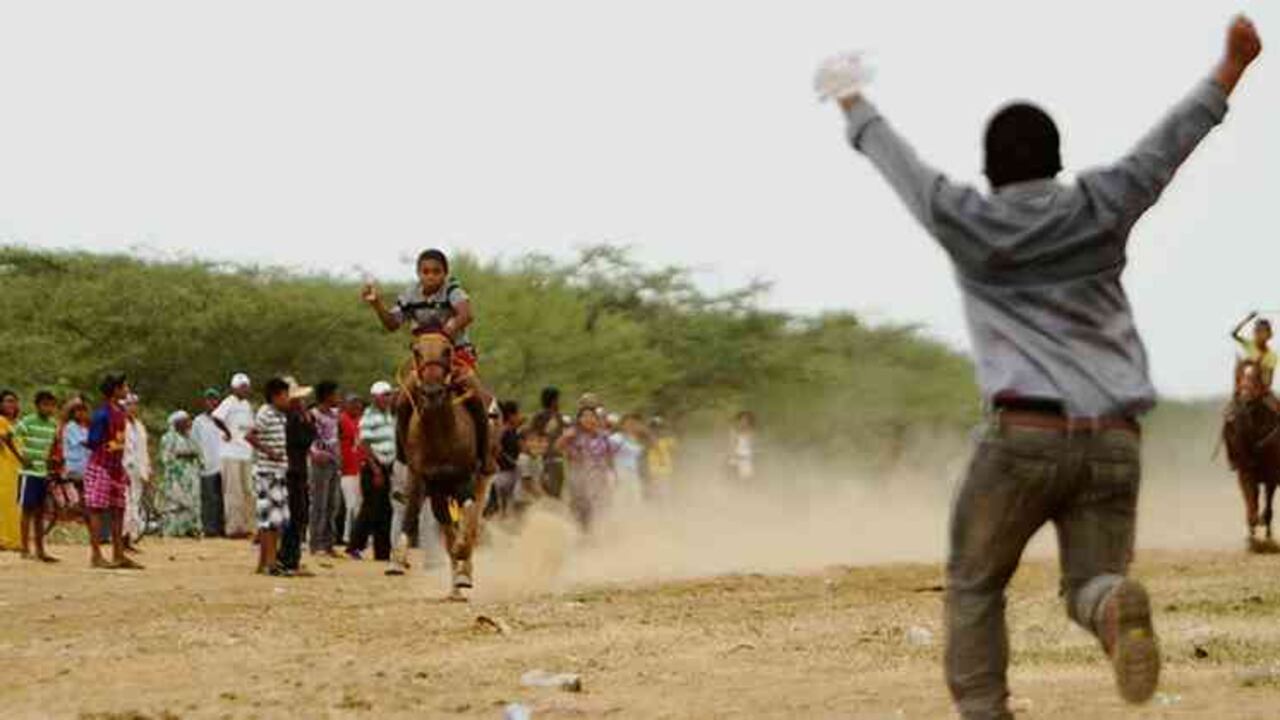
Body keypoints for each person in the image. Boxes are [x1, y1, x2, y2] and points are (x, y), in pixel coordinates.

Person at [823, 15, 1262, 717]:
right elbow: (1166, 148)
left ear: (990, 169)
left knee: (974, 583)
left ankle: (986, 712)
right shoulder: (1101, 203)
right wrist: (1230, 69)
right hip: (1115, 438)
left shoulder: (962, 217)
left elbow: (897, 162)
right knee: (1090, 581)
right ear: (1058, 161)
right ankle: (1112, 607)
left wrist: (851, 99)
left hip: (1022, 437)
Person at [361, 248, 492, 473]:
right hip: (424, 362)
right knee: (402, 401)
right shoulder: (410, 295)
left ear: (445, 273)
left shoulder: (452, 290)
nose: (430, 276)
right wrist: (377, 304)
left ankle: (483, 455)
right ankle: (404, 456)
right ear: (418, 273)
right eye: (425, 272)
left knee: (478, 397)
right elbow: (392, 323)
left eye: (436, 272)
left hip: (455, 356)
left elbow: (466, 314)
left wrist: (445, 333)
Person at [84, 374, 142, 570]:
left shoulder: (119, 412)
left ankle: (118, 554)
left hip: (116, 467)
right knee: (97, 510)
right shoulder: (103, 414)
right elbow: (93, 442)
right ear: (116, 390)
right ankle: (96, 555)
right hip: (101, 466)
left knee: (118, 509)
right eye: (124, 386)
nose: (127, 389)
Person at [246, 378, 291, 574]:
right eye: (285, 395)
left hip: (277, 471)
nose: (288, 399)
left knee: (274, 519)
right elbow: (250, 435)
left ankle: (264, 562)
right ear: (275, 396)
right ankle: (270, 563)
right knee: (270, 520)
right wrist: (270, 452)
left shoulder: (279, 415)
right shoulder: (265, 413)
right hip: (267, 471)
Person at [350, 381, 396, 561]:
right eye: (384, 395)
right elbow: (364, 444)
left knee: (385, 510)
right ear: (375, 397)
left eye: (389, 395)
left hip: (387, 466)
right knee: (370, 508)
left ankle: (382, 551)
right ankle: (355, 545)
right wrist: (375, 469)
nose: (387, 398)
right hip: (373, 466)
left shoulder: (388, 416)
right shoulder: (369, 416)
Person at [15, 390, 60, 562]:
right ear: (37, 405)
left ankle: (40, 550)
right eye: (45, 404)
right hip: (28, 472)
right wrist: (21, 457)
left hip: (43, 472)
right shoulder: (27, 421)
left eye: (51, 405)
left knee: (40, 513)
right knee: (27, 510)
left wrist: (53, 461)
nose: (48, 408)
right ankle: (25, 548)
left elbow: (54, 445)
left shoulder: (52, 424)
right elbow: (10, 437)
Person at [277, 377, 315, 575]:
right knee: (293, 515)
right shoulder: (288, 419)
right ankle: (287, 559)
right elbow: (302, 440)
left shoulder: (298, 417)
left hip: (299, 470)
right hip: (291, 471)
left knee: (299, 515)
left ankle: (292, 557)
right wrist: (306, 421)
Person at [556, 407, 615, 532]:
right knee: (581, 512)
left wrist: (611, 474)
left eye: (591, 416)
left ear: (597, 419)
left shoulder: (603, 436)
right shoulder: (574, 435)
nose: (588, 419)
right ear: (579, 420)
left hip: (598, 478)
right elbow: (558, 447)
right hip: (578, 480)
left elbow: (609, 456)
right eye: (584, 416)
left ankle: (592, 537)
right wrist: (566, 437)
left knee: (598, 510)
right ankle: (581, 537)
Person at [212, 374, 256, 538]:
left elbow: (251, 426)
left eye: (246, 386)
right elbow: (216, 417)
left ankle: (247, 526)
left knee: (247, 491)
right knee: (233, 491)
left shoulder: (247, 405)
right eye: (242, 386)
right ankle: (233, 528)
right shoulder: (229, 401)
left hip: (245, 452)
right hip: (230, 453)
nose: (245, 389)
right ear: (234, 388)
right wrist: (227, 432)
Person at [307, 380, 342, 557]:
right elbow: (308, 436)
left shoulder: (335, 414)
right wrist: (313, 453)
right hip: (320, 461)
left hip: (334, 461)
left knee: (332, 504)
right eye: (335, 394)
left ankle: (329, 542)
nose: (338, 397)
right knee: (319, 503)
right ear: (327, 396)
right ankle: (316, 543)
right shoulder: (313, 414)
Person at [159, 411, 203, 537]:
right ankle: (174, 530)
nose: (189, 423)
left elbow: (199, 453)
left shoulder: (191, 437)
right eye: (186, 421)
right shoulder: (168, 438)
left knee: (192, 501)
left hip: (191, 473)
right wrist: (183, 455)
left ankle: (190, 528)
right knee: (176, 502)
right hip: (176, 475)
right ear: (177, 423)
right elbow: (166, 457)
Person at [191, 388, 226, 537]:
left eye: (214, 399)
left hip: (223, 464)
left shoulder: (223, 419)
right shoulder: (199, 421)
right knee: (209, 498)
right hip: (207, 465)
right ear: (204, 402)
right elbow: (195, 442)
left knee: (223, 498)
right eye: (209, 399)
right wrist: (200, 460)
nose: (212, 402)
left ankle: (221, 527)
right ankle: (209, 528)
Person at [122, 395, 152, 545]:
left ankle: (130, 538)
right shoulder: (120, 424)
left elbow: (144, 450)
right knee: (126, 503)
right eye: (129, 405)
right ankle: (123, 537)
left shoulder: (140, 426)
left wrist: (147, 469)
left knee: (135, 503)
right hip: (125, 468)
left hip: (139, 470)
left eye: (134, 405)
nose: (132, 408)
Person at [338, 393, 365, 546]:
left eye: (358, 403)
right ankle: (348, 536)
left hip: (360, 467)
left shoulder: (361, 421)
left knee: (359, 504)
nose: (356, 406)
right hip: (346, 469)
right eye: (353, 403)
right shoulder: (341, 420)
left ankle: (356, 535)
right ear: (346, 405)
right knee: (351, 505)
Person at [488, 400, 524, 517]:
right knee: (505, 507)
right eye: (518, 414)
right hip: (503, 474)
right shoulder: (503, 431)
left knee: (511, 506)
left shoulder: (513, 431)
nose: (520, 416)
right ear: (511, 416)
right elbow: (497, 450)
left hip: (511, 472)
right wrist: (511, 462)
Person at [530, 386, 566, 498]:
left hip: (554, 458)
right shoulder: (543, 416)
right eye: (557, 399)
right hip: (547, 458)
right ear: (552, 401)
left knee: (554, 490)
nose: (559, 402)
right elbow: (534, 434)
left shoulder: (556, 416)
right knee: (552, 491)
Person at [610, 413, 649, 510]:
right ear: (622, 425)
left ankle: (633, 522)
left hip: (634, 474)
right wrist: (612, 474)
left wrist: (646, 432)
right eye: (628, 423)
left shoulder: (635, 440)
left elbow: (651, 447)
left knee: (636, 501)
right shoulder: (616, 438)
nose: (631, 426)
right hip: (620, 473)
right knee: (620, 501)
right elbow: (608, 456)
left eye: (634, 424)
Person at [1232, 312, 1277, 392]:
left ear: (1269, 335)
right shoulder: (1249, 344)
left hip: (1261, 388)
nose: (1259, 334)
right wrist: (1248, 319)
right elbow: (1234, 334)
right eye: (1257, 331)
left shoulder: (1272, 356)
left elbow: (1270, 379)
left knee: (1275, 404)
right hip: (1244, 385)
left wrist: (1265, 388)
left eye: (1263, 332)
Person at [0, 390, 22, 551]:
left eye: (14, 401)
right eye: (8, 401)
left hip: (17, 467)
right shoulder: (1, 421)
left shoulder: (17, 423)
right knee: (6, 502)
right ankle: (6, 540)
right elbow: (5, 441)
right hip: (4, 465)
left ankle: (14, 539)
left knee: (15, 503)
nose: (12, 404)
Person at [646, 417, 677, 500]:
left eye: (659, 426)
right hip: (654, 469)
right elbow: (651, 444)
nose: (656, 429)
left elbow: (674, 450)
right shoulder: (649, 439)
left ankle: (665, 509)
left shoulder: (668, 439)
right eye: (654, 427)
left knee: (665, 492)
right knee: (655, 491)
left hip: (665, 469)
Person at [727, 411, 756, 481]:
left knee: (747, 480)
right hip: (737, 458)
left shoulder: (751, 432)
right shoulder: (734, 432)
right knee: (734, 479)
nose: (744, 422)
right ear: (739, 420)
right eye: (742, 419)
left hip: (747, 459)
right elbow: (732, 445)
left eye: (746, 420)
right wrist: (732, 458)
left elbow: (751, 445)